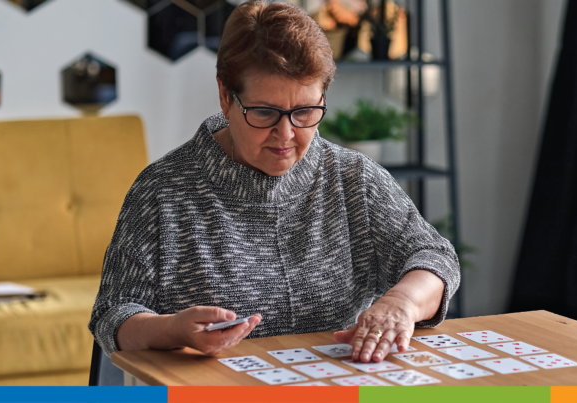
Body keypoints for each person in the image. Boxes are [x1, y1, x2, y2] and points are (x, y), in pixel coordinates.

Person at [88, 0, 459, 364]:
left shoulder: (354, 179)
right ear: (225, 97)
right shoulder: (162, 191)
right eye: (264, 112)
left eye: (305, 112)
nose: (286, 134)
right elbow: (113, 314)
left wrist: (402, 303)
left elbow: (435, 258)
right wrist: (170, 331)